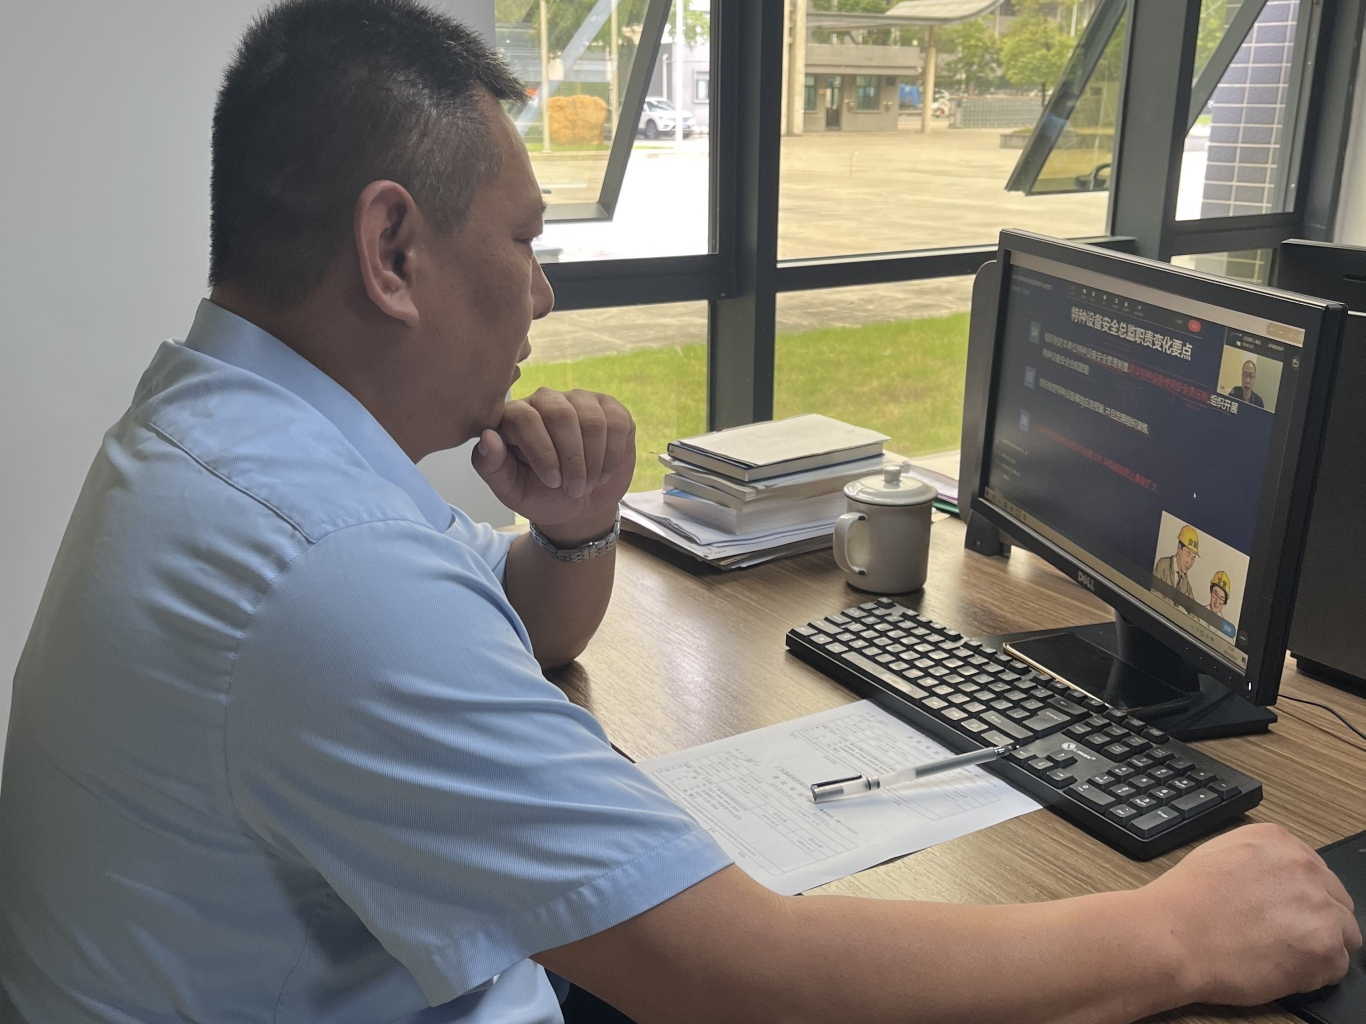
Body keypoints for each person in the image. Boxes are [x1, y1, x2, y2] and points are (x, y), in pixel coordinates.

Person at [0, 3, 1357, 1023]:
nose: (541, 294)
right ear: (392, 250)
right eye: (524, 241)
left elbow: (524, 627)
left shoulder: (215, 437)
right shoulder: (322, 566)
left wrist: (574, 530)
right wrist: (1176, 931)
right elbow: (734, 978)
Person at [1153, 524, 1200, 600]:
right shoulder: (1163, 565)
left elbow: (1191, 606)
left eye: (1193, 558)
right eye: (1188, 555)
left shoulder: (1187, 586)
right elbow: (1154, 594)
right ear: (1179, 548)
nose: (1189, 562)